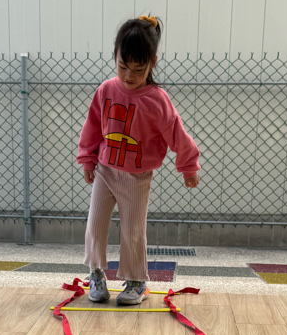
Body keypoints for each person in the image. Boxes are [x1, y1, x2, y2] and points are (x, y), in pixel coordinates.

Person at [76, 15, 201, 305]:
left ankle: (136, 281)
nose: (128, 76)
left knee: (133, 231)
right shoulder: (106, 91)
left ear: (152, 63)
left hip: (137, 176)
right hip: (105, 171)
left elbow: (177, 134)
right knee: (95, 225)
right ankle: (96, 273)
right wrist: (88, 159)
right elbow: (92, 127)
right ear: (115, 56)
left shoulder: (157, 100)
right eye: (122, 66)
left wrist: (189, 167)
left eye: (138, 69)